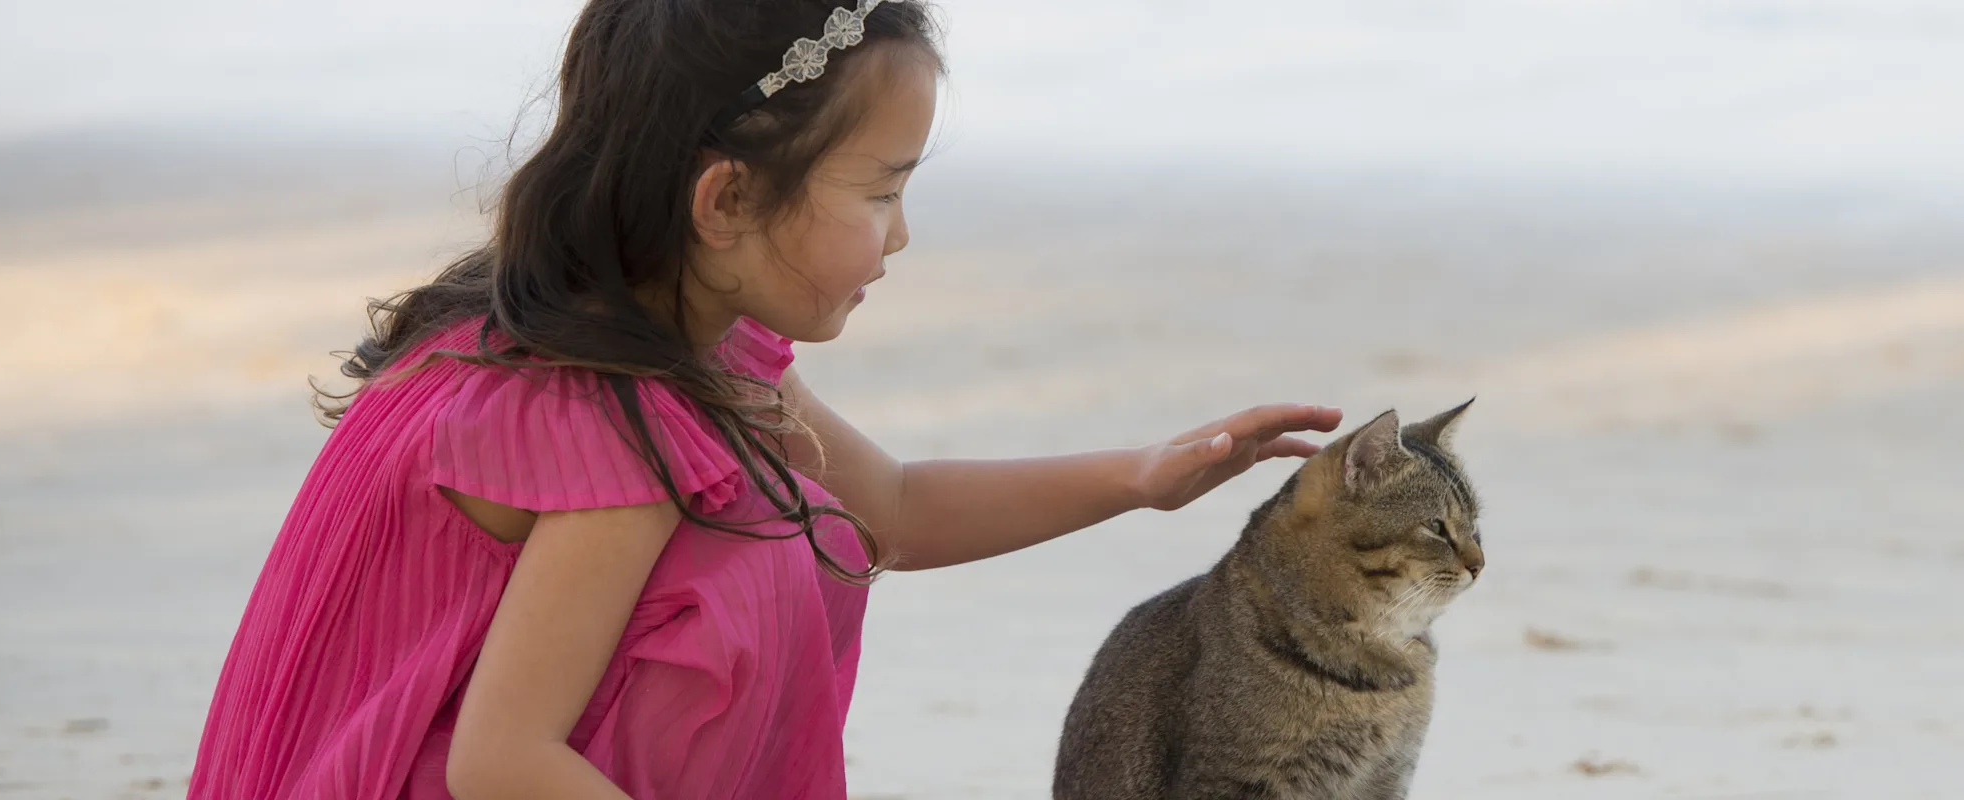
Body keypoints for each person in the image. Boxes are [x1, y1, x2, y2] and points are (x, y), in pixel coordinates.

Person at [185, 1, 1342, 796]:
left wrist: (1145, 477)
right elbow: (503, 761)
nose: (901, 235)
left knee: (804, 526)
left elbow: (890, 507)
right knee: (760, 559)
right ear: (726, 198)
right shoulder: (601, 420)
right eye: (880, 190)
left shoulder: (660, 339)